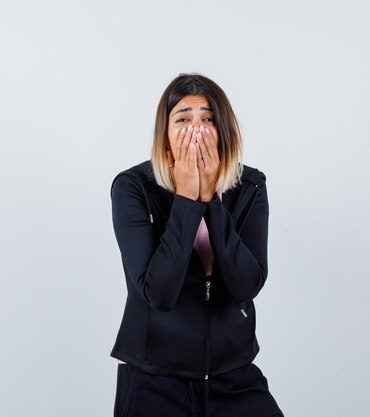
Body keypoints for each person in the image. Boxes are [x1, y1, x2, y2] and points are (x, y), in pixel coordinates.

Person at [109, 73, 284, 417]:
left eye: (208, 119)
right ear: (166, 135)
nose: (196, 129)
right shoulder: (133, 187)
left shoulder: (250, 186)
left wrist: (211, 203)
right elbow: (158, 293)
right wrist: (187, 201)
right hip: (153, 379)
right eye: (183, 119)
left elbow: (247, 284)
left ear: (224, 133)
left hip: (233, 376)